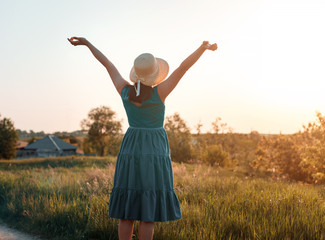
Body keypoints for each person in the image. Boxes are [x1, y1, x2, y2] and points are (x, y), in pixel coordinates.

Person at [67, 36, 217, 240]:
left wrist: (86, 43)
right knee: (148, 214)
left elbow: (107, 64)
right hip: (154, 150)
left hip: (131, 147)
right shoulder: (160, 93)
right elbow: (183, 67)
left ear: (136, 74)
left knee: (127, 208)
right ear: (155, 75)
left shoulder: (125, 91)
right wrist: (203, 48)